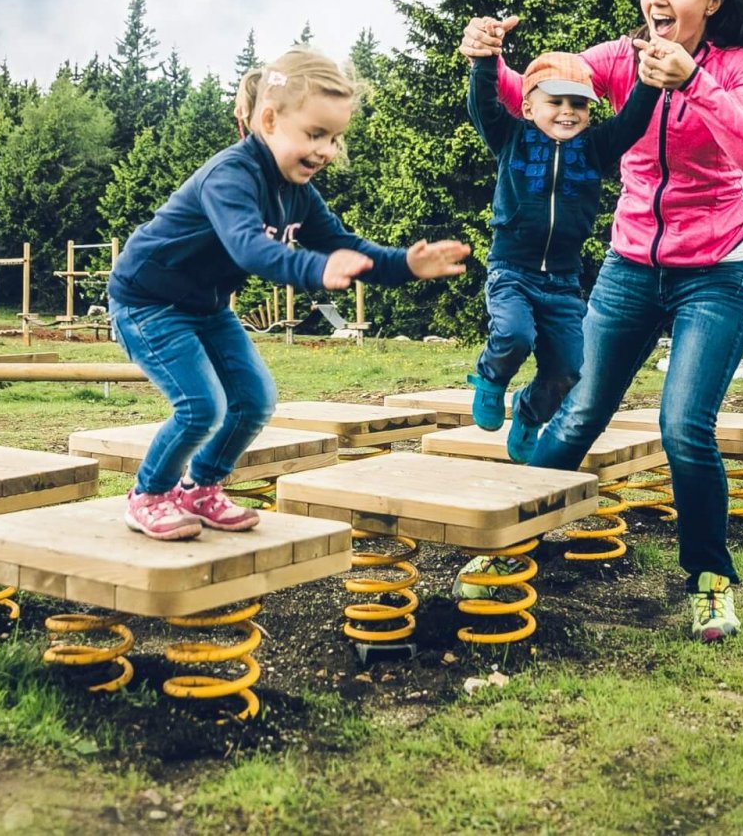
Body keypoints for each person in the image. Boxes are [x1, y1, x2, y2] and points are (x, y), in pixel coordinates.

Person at [463, 0, 743, 642]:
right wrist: (489, 57)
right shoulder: (617, 61)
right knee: (577, 409)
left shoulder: (739, 66)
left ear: (712, 1)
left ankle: (711, 582)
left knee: (684, 428)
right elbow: (534, 99)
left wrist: (695, 82)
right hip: (631, 265)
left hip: (717, 272)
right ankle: (514, 546)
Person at [106, 47, 471, 541]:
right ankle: (149, 495)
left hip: (205, 307)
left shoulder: (297, 191)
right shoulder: (230, 176)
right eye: (315, 135)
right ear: (271, 120)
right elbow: (250, 249)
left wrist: (405, 263)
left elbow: (347, 247)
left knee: (255, 400)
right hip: (148, 302)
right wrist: (316, 269)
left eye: (335, 139)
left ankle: (201, 489)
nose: (325, 151)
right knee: (200, 406)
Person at [465, 48, 656, 460]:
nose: (567, 112)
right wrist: (484, 60)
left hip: (564, 283)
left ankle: (530, 413)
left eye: (579, 104)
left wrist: (651, 77)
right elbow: (482, 104)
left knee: (569, 368)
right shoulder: (511, 137)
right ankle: (490, 379)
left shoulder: (595, 148)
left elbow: (635, 119)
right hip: (512, 271)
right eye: (555, 101)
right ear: (528, 105)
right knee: (514, 334)